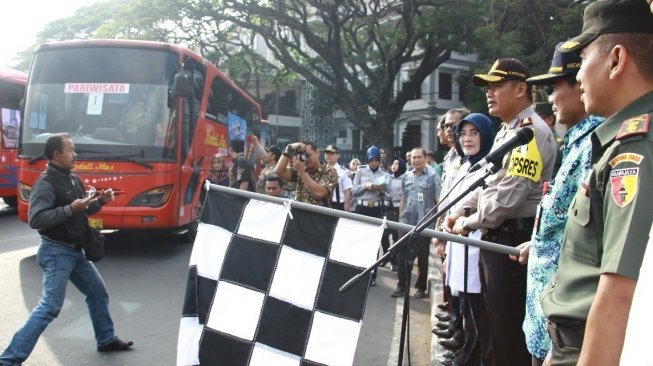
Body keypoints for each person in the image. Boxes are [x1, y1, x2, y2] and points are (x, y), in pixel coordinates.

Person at [539, 1, 653, 364]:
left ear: (616, 60)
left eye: (583, 60)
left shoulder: (636, 150)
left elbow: (618, 290)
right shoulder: (620, 141)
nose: (580, 78)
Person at [443, 57, 557, 366]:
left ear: (521, 89)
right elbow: (489, 182)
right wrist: (463, 209)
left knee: (506, 335)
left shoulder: (529, 133)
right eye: (488, 87)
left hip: (512, 241)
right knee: (491, 327)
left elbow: (509, 196)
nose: (489, 93)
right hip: (498, 237)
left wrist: (469, 221)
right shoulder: (510, 130)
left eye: (497, 86)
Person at [0, 133, 133, 365]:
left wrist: (100, 202)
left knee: (97, 292)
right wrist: (70, 208)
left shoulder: (73, 179)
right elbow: (36, 219)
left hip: (76, 252)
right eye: (70, 150)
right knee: (50, 306)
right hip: (56, 252)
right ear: (55, 154)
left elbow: (83, 210)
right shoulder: (45, 183)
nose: (75, 154)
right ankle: (9, 359)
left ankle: (106, 339)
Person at [514, 42, 604, 366]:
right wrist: (536, 243)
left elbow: (590, 244)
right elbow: (562, 222)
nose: (550, 99)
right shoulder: (578, 140)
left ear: (581, 83)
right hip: (543, 319)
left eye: (554, 87)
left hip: (562, 327)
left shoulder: (597, 145)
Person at [439, 113, 495, 366]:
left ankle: (471, 356)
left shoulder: (490, 166)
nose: (468, 139)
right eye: (463, 134)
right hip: (458, 239)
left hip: (476, 241)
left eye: (474, 133)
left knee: (477, 307)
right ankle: (466, 348)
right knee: (463, 301)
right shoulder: (465, 164)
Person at [391, 147, 440, 298]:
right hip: (406, 222)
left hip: (424, 223)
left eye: (419, 157)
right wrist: (400, 218)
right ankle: (401, 285)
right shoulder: (406, 176)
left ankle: (420, 287)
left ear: (425, 158)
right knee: (401, 254)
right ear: (410, 159)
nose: (416, 160)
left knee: (423, 256)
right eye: (414, 157)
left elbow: (438, 201)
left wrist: (437, 224)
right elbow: (403, 199)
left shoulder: (433, 176)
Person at [352, 146, 389, 287]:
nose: (374, 163)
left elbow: (389, 195)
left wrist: (381, 190)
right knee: (361, 241)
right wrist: (365, 186)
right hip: (362, 208)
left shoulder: (384, 174)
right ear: (367, 160)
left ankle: (373, 274)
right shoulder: (360, 171)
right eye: (371, 160)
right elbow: (354, 191)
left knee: (374, 244)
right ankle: (360, 272)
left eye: (376, 160)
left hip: (376, 209)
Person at [275, 140, 337, 206]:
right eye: (302, 156)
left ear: (317, 152)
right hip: (299, 212)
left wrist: (302, 172)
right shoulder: (301, 169)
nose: (305, 159)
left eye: (308, 155)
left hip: (318, 214)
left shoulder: (329, 171)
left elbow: (320, 193)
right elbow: (279, 171)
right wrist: (288, 149)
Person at [380, 157, 407, 272]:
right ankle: (387, 257)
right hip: (386, 208)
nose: (394, 166)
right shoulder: (388, 177)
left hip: (397, 210)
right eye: (393, 163)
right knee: (383, 235)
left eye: (397, 164)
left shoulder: (404, 179)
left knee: (396, 237)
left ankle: (394, 261)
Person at [324, 144, 352, 211]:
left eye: (332, 153)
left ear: (338, 155)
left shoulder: (344, 172)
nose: (329, 155)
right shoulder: (321, 170)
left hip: (337, 206)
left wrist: (345, 212)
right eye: (327, 153)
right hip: (323, 205)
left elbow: (347, 194)